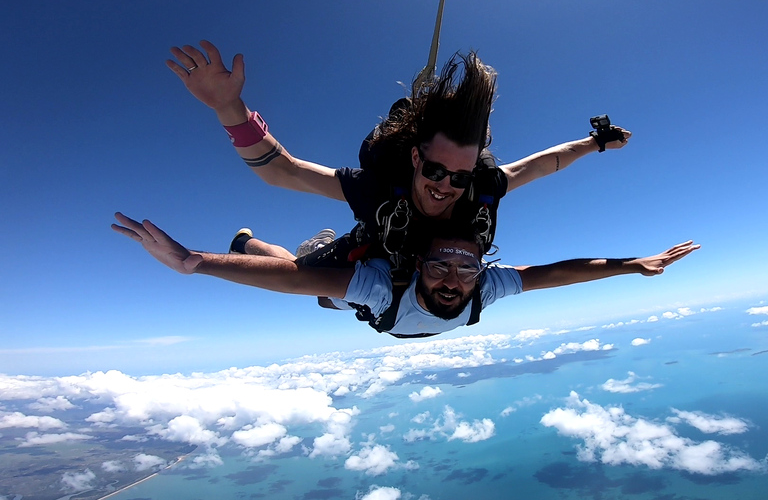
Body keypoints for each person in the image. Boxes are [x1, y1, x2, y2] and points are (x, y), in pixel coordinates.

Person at [165, 41, 632, 271]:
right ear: (413, 158)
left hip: (413, 269)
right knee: (299, 271)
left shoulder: (481, 187)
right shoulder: (376, 188)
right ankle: (246, 242)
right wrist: (229, 108)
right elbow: (284, 172)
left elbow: (543, 163)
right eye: (435, 169)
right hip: (369, 260)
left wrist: (594, 143)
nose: (446, 184)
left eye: (460, 176)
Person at [112, 212, 699, 339]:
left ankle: (247, 239)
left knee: (312, 287)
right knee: (308, 271)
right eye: (440, 263)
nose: (452, 277)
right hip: (351, 283)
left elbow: (551, 273)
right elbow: (290, 279)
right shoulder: (377, 284)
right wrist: (194, 264)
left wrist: (629, 266)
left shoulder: (483, 286)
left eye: (466, 266)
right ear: (417, 265)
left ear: (481, 272)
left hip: (373, 311)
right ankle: (247, 237)